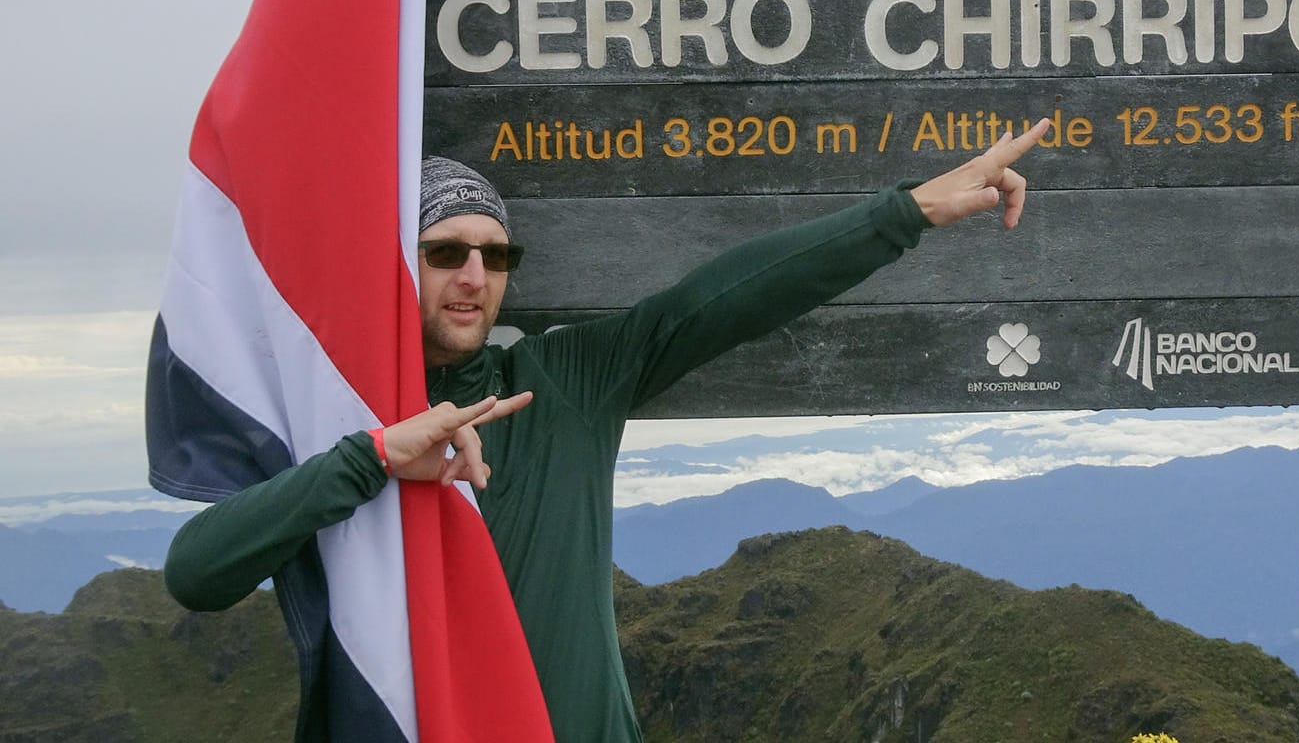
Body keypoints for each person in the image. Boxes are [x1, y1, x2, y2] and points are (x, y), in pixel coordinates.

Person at [162, 120, 1052, 742]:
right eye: (444, 252)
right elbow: (196, 572)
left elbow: (727, 297)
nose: (476, 275)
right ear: (398, 262)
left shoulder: (565, 384)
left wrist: (911, 212)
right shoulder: (342, 428)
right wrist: (373, 458)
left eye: (496, 254)